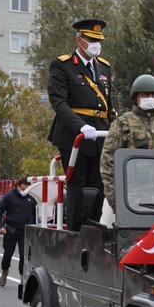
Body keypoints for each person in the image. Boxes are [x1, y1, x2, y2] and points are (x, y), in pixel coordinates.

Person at [47, 19, 116, 231]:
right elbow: (59, 103)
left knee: (99, 185)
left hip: (100, 133)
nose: (96, 44)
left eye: (99, 40)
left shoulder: (103, 67)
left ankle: (94, 230)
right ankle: (76, 232)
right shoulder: (63, 65)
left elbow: (108, 104)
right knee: (78, 184)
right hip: (74, 135)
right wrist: (80, 127)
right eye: (92, 39)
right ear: (79, 40)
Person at [101, 74, 154, 213]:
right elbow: (108, 164)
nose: (150, 98)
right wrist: (114, 200)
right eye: (145, 95)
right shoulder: (122, 124)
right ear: (135, 98)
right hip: (132, 198)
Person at [0, 178, 37, 287]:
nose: (27, 189)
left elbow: (36, 212)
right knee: (8, 254)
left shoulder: (32, 197)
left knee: (24, 255)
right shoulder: (9, 196)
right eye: (25, 186)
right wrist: (0, 226)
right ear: (19, 185)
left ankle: (22, 278)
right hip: (11, 230)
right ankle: (4, 271)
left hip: (25, 231)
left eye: (29, 187)